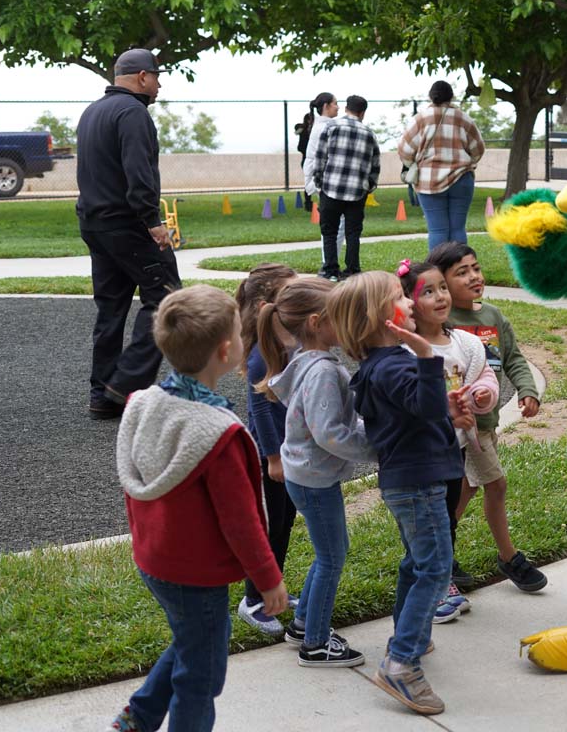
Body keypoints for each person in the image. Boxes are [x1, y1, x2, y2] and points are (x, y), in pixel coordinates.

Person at [111, 285, 286, 732]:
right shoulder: (218, 435)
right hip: (194, 572)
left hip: (155, 559)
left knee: (196, 640)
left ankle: (139, 717)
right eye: (241, 335)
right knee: (201, 674)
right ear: (227, 351)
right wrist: (267, 580)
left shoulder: (144, 403)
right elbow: (241, 522)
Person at [330, 271, 470, 716]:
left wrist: (442, 407)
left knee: (418, 561)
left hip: (407, 481)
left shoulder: (379, 365)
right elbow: (420, 404)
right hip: (420, 483)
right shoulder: (397, 362)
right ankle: (401, 662)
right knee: (435, 568)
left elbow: (413, 413)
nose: (410, 302)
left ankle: (409, 635)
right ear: (380, 317)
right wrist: (427, 355)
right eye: (400, 298)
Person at [261, 277, 373, 667]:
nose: (349, 323)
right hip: (313, 477)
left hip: (305, 474)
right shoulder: (323, 370)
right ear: (315, 322)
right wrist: (378, 450)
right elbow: (330, 433)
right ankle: (316, 643)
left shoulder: (309, 361)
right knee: (332, 557)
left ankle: (304, 624)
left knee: (330, 551)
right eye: (340, 317)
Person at [428, 241, 549, 593]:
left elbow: (513, 359)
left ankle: (440, 551)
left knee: (463, 490)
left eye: (475, 269)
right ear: (442, 284)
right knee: (495, 484)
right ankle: (509, 557)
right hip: (464, 428)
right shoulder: (443, 322)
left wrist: (527, 390)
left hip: (486, 423)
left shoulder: (493, 317)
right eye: (461, 272)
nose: (473, 277)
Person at [76, 48, 181, 420]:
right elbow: (139, 174)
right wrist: (154, 221)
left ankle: (101, 395)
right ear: (141, 77)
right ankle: (124, 387)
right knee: (167, 298)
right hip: (129, 224)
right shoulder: (133, 113)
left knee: (111, 308)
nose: (160, 84)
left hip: (95, 222)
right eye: (157, 77)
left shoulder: (92, 112)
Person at [397, 259, 499, 623]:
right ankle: (435, 588)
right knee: (426, 525)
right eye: (428, 291)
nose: (440, 296)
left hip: (452, 449)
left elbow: (482, 376)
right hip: (420, 454)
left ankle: (442, 578)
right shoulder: (405, 352)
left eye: (442, 287)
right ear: (408, 302)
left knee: (446, 520)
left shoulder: (464, 343)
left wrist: (483, 395)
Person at [234, 264, 301, 635]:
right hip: (271, 455)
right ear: (265, 306)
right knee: (270, 525)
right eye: (289, 296)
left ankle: (272, 589)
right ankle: (253, 600)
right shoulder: (264, 351)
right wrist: (273, 456)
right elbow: (260, 406)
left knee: (285, 521)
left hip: (288, 451)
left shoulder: (285, 342)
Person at [399, 80, 486, 251]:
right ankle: (460, 270)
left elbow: (404, 150)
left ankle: (439, 272)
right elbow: (478, 149)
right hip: (462, 178)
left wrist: (413, 164)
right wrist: (468, 163)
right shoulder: (464, 118)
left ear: (431, 96)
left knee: (437, 229)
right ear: (451, 96)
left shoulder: (420, 119)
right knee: (458, 228)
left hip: (428, 181)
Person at [314, 94, 381, 281]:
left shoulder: (331, 127)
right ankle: (352, 269)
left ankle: (330, 270)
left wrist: (319, 182)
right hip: (357, 191)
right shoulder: (369, 134)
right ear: (363, 113)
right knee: (353, 233)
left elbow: (321, 157)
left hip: (331, 189)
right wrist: (368, 187)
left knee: (329, 231)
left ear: (346, 109)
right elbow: (375, 166)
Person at [301, 92, 344, 268]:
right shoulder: (324, 128)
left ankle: (329, 262)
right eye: (335, 103)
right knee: (335, 225)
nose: (338, 106)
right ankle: (329, 263)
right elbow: (317, 159)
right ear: (326, 106)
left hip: (324, 181)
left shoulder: (322, 126)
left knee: (334, 224)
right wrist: (317, 183)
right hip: (326, 182)